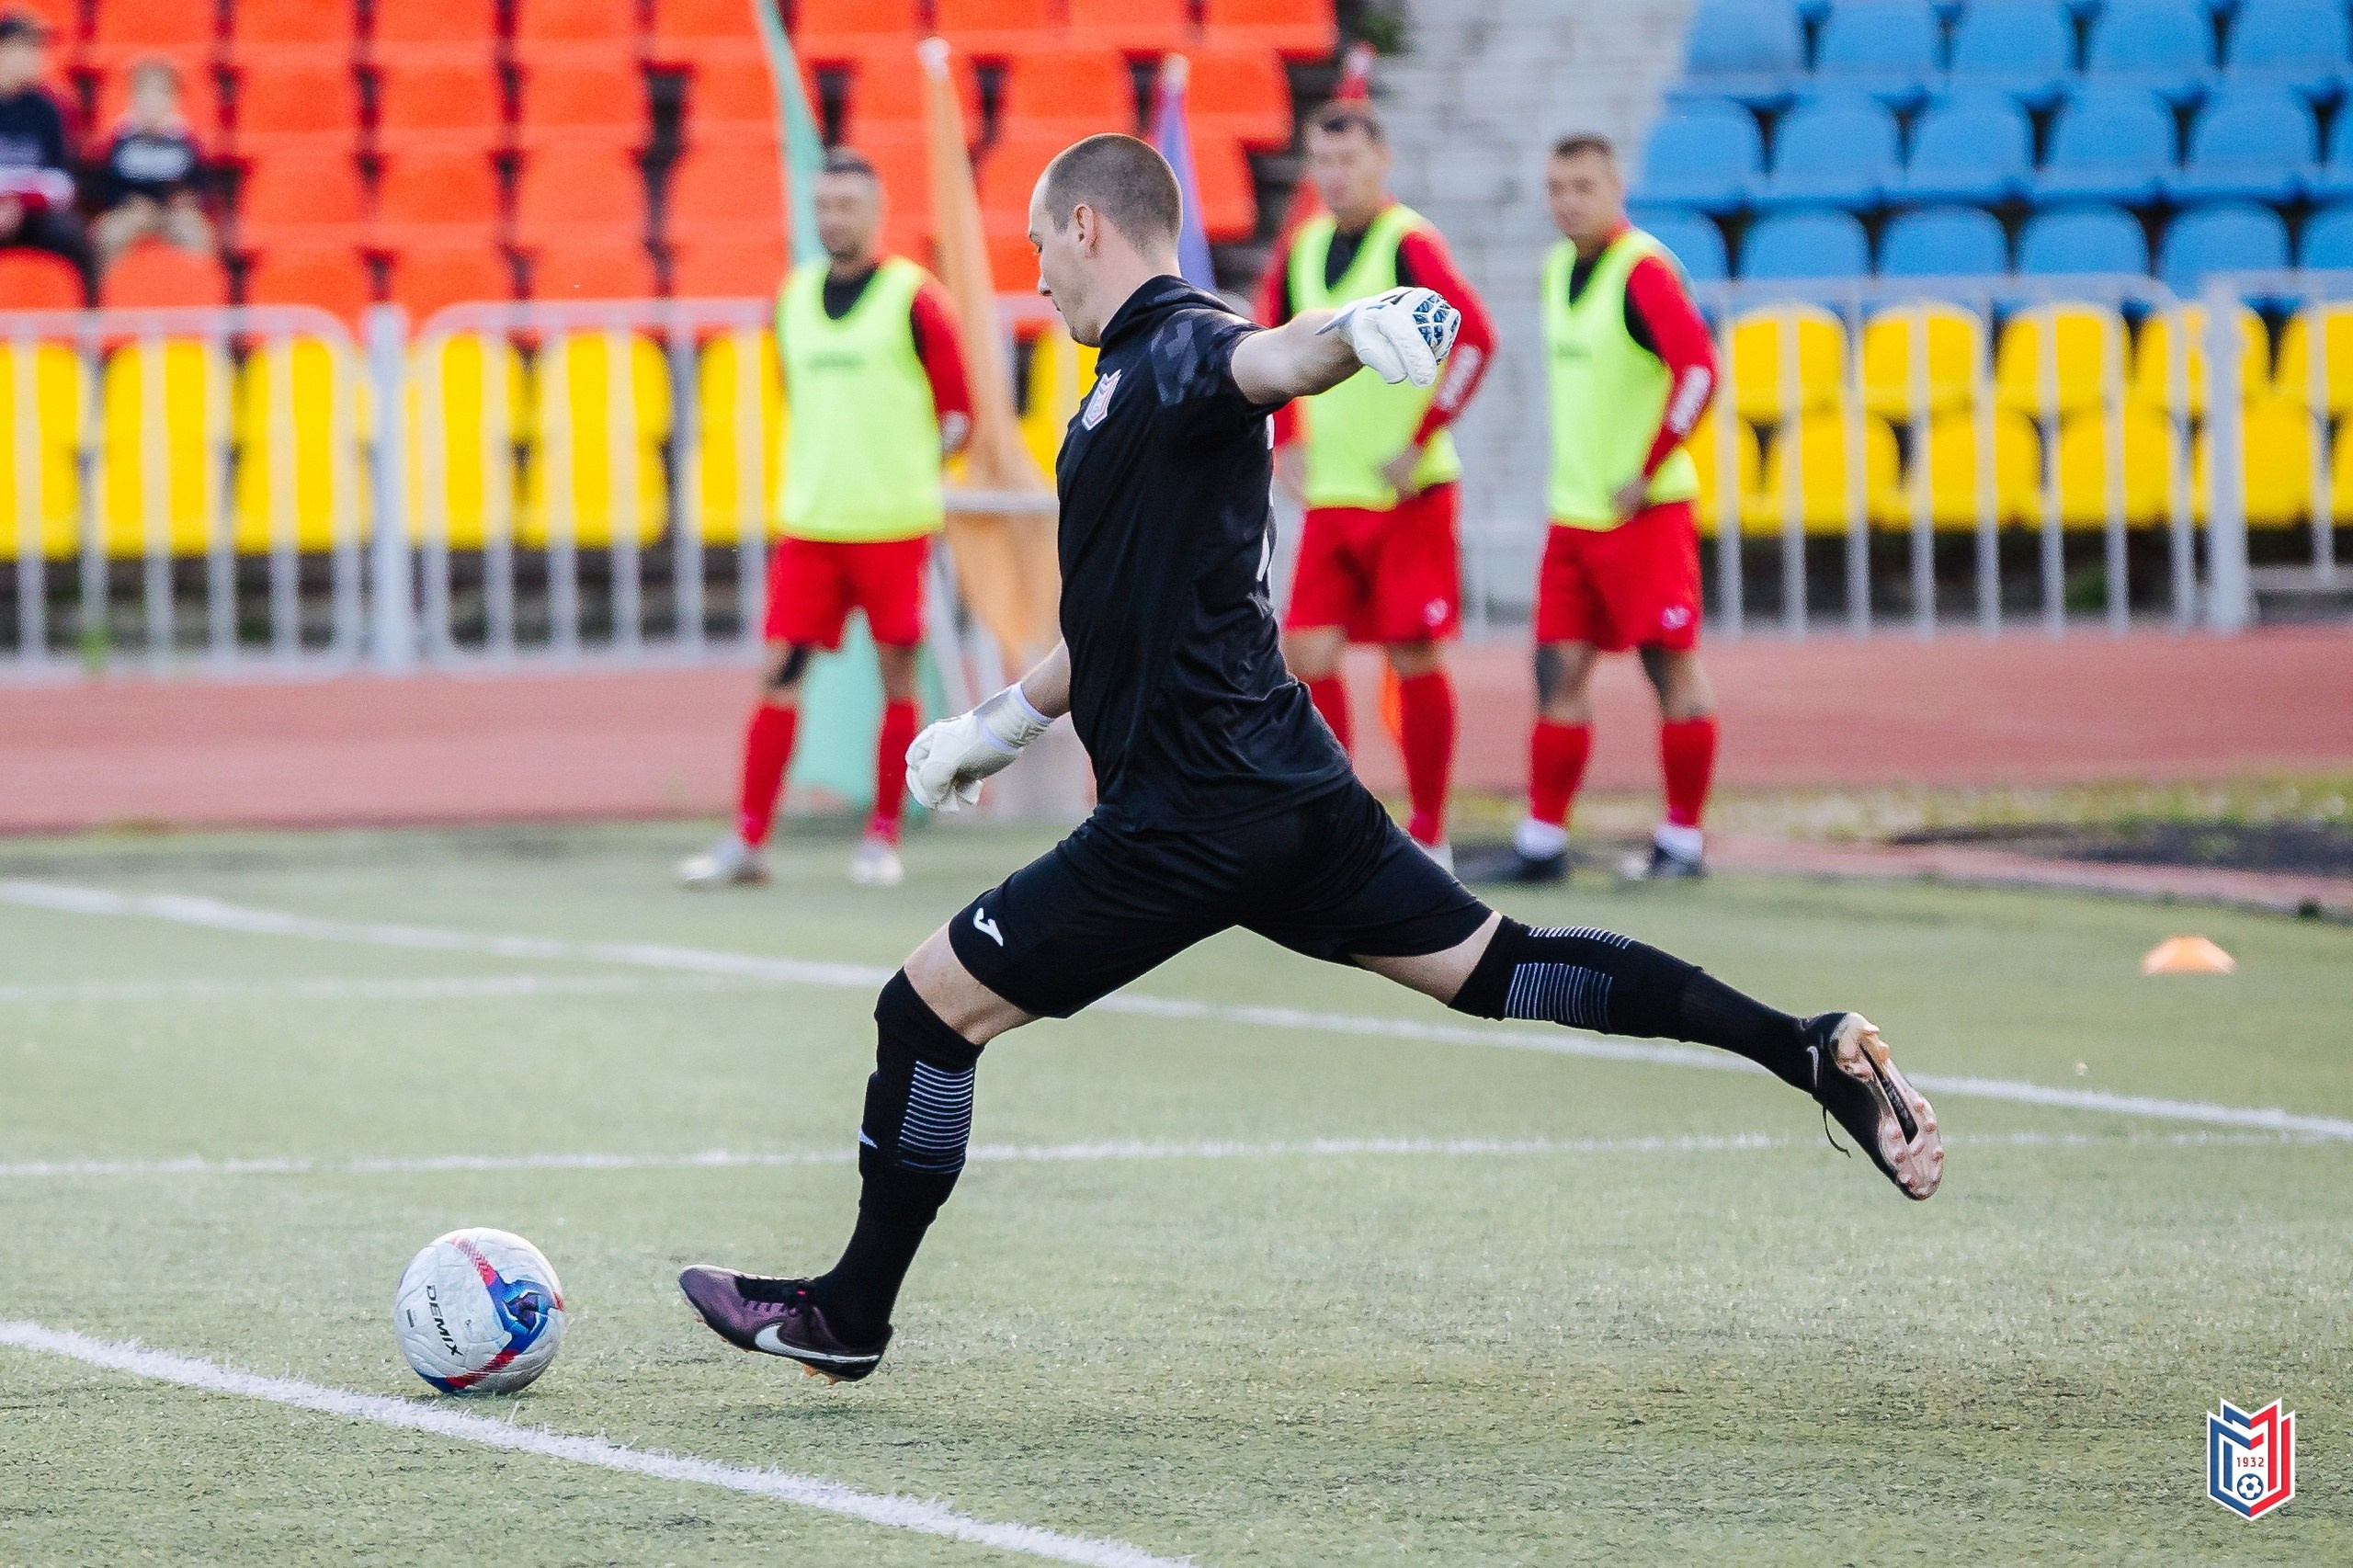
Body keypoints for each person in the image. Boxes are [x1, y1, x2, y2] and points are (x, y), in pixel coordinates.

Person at [676, 133, 1941, 1384]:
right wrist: (996, 725)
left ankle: (850, 1313)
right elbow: (1115, 615)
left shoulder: (1176, 345)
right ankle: (1806, 1045)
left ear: (1086, 228)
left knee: (925, 1011)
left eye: (1038, 245)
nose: (1037, 278)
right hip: (1289, 787)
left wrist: (1351, 328)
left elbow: (1266, 358)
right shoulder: (1125, 378)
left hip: (1187, 812)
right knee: (1503, 966)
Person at [676, 148, 973, 892]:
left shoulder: (917, 300)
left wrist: (907, 469)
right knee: (778, 673)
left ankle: (882, 834)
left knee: (896, 677)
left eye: (846, 206)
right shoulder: (794, 296)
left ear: (876, 213)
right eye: (823, 207)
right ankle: (748, 839)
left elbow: (958, 413)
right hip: (812, 524)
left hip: (892, 524)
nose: (832, 219)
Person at [1461, 134, 1724, 887]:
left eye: (1581, 185)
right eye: (1555, 187)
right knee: (1557, 671)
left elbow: (1699, 369)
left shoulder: (1641, 271)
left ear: (1614, 188)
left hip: (1645, 515)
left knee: (1669, 668)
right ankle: (1542, 841)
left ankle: (1683, 843)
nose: (1566, 200)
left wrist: (1649, 467)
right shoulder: (1555, 271)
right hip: (1574, 516)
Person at [1258, 101, 1495, 867]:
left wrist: (1423, 439)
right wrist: (1287, 435)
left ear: (1381, 161)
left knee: (1413, 655)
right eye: (1323, 162)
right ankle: (1342, 817)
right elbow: (1273, 348)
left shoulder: (1408, 243)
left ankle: (1431, 829)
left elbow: (1473, 341)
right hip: (1333, 495)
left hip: (1408, 498)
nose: (1335, 176)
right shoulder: (1303, 246)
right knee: (1308, 655)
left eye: (1349, 160)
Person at [90, 58, 212, 270]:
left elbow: (200, 184)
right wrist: (126, 200)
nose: (151, 102)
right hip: (132, 211)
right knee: (108, 234)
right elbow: (104, 186)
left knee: (196, 234)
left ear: (173, 99)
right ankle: (109, 294)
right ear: (132, 98)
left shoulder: (185, 140)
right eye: (144, 94)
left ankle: (198, 295)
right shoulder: (120, 139)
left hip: (174, 213)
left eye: (159, 94)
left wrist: (187, 198)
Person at [0, 7, 90, 286]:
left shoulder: (49, 109)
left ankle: (80, 322)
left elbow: (62, 183)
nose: (38, 58)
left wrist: (18, 202)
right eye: (28, 49)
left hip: (35, 216)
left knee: (71, 236)